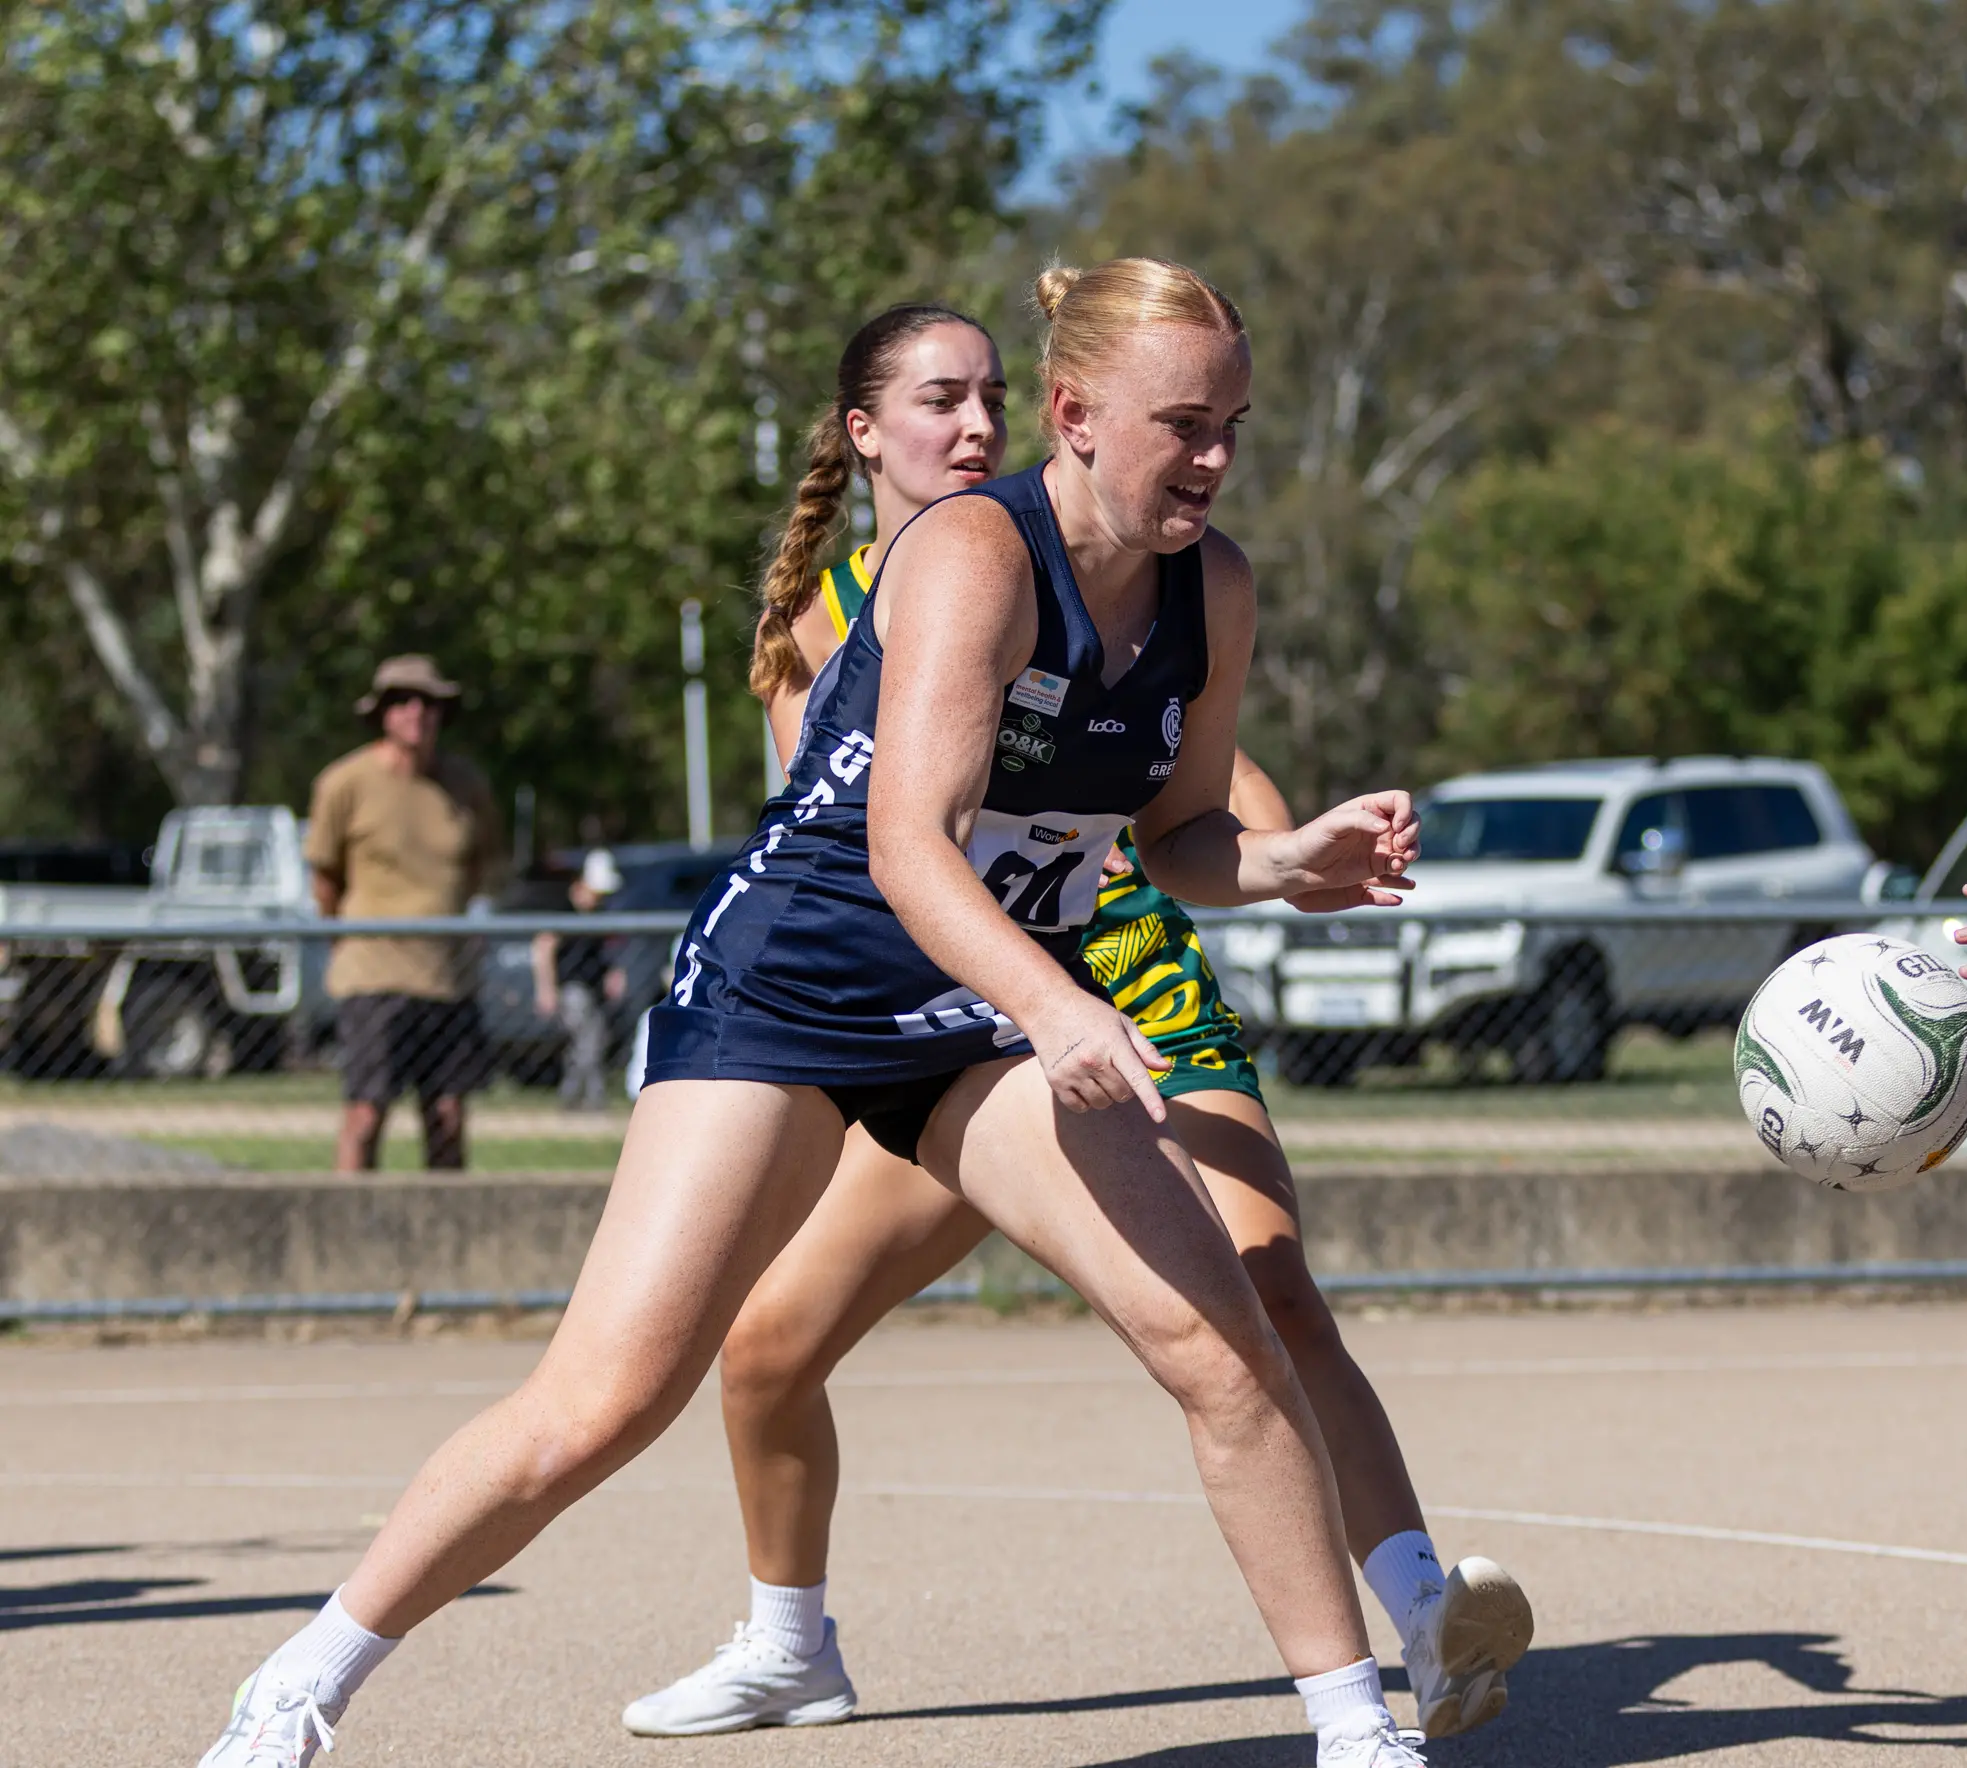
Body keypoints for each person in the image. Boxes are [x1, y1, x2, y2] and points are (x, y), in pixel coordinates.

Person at [196, 259, 1440, 1768]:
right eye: (1185, 425)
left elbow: (1176, 836)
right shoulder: (980, 555)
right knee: (608, 1400)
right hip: (798, 984)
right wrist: (1058, 1007)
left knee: (1222, 1347)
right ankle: (304, 1684)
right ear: (1078, 418)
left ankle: (1354, 1729)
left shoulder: (1212, 586)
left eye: (1234, 423)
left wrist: (1286, 861)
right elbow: (906, 847)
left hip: (979, 1016)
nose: (1216, 458)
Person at [613, 301, 1528, 1743]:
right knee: (765, 1345)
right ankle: (789, 1643)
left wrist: (1284, 863)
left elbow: (1205, 796)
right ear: (863, 436)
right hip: (949, 1025)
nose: (972, 427)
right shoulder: (830, 616)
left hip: (1123, 998)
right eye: (938, 403)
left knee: (1260, 1295)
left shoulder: (1123, 567)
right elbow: (857, 853)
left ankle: (1417, 1608)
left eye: (989, 399)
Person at [305, 654, 506, 1171]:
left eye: (430, 701)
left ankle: (445, 1239)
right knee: (365, 1115)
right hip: (373, 976)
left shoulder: (466, 785)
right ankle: (347, 1230)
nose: (417, 711)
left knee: (447, 1117)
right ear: (382, 713)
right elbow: (324, 880)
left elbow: (487, 866)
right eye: (402, 701)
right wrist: (346, 941)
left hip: (448, 978)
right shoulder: (344, 782)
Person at [529, 848, 628, 1113]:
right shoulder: (564, 908)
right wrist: (546, 989)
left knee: (587, 1043)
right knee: (590, 1040)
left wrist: (612, 973)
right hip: (571, 988)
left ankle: (573, 1099)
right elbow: (543, 948)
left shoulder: (597, 912)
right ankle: (591, 1099)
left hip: (591, 987)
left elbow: (603, 952)